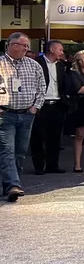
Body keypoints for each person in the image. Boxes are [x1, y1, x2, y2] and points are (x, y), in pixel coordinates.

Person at [0, 32, 46, 202]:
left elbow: (42, 89)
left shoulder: (34, 66)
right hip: (5, 115)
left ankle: (12, 183)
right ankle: (13, 185)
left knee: (20, 151)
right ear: (11, 45)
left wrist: (35, 107)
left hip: (27, 114)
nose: (27, 49)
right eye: (23, 45)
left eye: (27, 46)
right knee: (7, 150)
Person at [31, 40, 69, 175]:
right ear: (52, 49)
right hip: (41, 106)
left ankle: (53, 165)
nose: (62, 52)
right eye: (60, 50)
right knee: (38, 137)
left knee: (55, 137)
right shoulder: (37, 63)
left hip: (57, 105)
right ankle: (39, 166)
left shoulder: (61, 65)